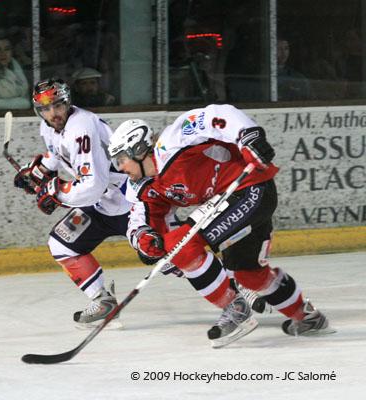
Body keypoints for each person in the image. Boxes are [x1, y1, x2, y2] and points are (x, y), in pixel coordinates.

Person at [108, 105, 334, 347]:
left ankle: (236, 310)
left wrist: (248, 136)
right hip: (238, 202)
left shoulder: (172, 142)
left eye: (121, 159)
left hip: (250, 188)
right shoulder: (144, 187)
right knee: (248, 274)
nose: (120, 168)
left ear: (138, 149)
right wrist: (144, 238)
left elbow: (217, 114)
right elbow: (142, 219)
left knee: (180, 245)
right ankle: (308, 317)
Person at [12, 78, 135, 328]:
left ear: (67, 103)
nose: (52, 114)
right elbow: (57, 154)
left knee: (173, 256)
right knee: (62, 243)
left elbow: (92, 186)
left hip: (131, 200)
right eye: (45, 109)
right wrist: (37, 172)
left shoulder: (81, 128)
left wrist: (55, 193)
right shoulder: (49, 126)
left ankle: (222, 289)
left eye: (57, 106)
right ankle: (103, 302)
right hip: (102, 203)